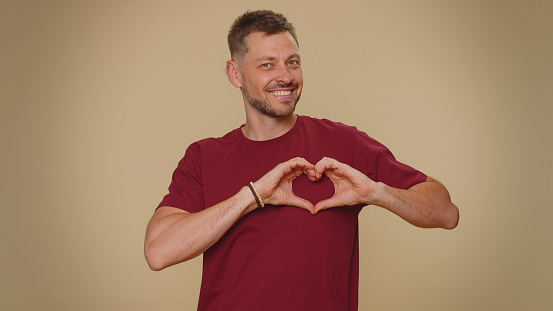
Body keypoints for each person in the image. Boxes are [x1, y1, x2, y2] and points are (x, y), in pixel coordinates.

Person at [144, 9, 459, 311]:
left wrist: (378, 193)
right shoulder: (204, 156)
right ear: (235, 74)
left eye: (292, 63)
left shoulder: (344, 143)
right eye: (267, 65)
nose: (285, 76)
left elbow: (446, 212)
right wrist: (252, 196)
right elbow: (158, 252)